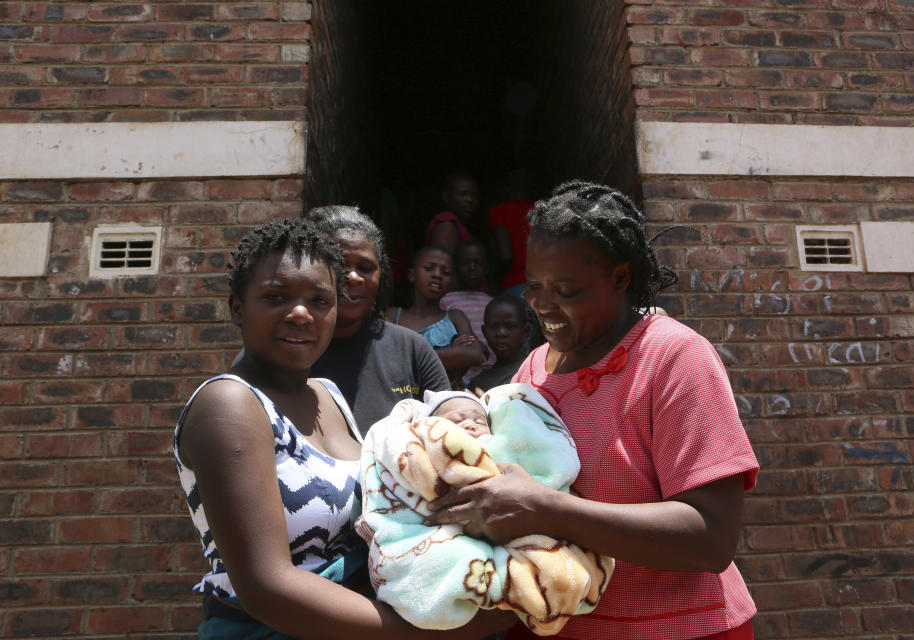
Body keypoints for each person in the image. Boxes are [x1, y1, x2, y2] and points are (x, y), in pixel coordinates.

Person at [427, 181, 760, 640]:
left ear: (620, 278)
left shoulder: (673, 357)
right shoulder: (533, 370)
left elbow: (710, 538)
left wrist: (546, 508)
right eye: (534, 285)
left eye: (566, 288)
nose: (543, 304)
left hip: (675, 628)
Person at [173, 217, 510, 640]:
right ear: (237, 308)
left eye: (319, 300)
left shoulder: (327, 395)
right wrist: (440, 632)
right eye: (276, 296)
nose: (300, 313)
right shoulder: (229, 405)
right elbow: (267, 587)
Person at [356, 385, 614, 636]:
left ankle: (515, 581)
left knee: (560, 570)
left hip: (517, 528)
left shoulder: (501, 445)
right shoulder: (423, 439)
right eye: (456, 420)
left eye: (479, 420)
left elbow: (538, 472)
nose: (470, 425)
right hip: (441, 529)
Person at [303, 205, 450, 437]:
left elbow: (447, 433)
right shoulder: (285, 349)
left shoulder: (412, 350)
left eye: (365, 268)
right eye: (340, 264)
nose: (353, 277)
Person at [388, 245, 485, 387]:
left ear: (451, 281)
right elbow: (388, 360)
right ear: (411, 275)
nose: (437, 275)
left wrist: (410, 359)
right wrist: (454, 353)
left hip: (446, 399)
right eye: (429, 268)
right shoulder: (393, 315)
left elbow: (476, 354)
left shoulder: (455, 317)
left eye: (445, 272)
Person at [440, 240, 494, 386]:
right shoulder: (446, 301)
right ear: (456, 268)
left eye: (478, 263)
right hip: (460, 373)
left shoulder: (494, 303)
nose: (472, 267)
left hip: (491, 371)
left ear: (486, 268)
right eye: (465, 263)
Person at [469, 295, 531, 393]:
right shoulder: (479, 383)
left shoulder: (533, 371)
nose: (501, 333)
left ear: (525, 332)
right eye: (493, 326)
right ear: (484, 332)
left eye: (510, 326)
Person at [488, 170, 535, 298]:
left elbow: (506, 255)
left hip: (514, 285)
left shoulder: (499, 212)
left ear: (506, 189)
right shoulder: (542, 213)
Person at [424, 171, 480, 257]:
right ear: (446, 196)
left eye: (474, 195)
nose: (470, 200)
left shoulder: (458, 225)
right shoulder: (447, 224)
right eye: (463, 194)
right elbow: (442, 265)